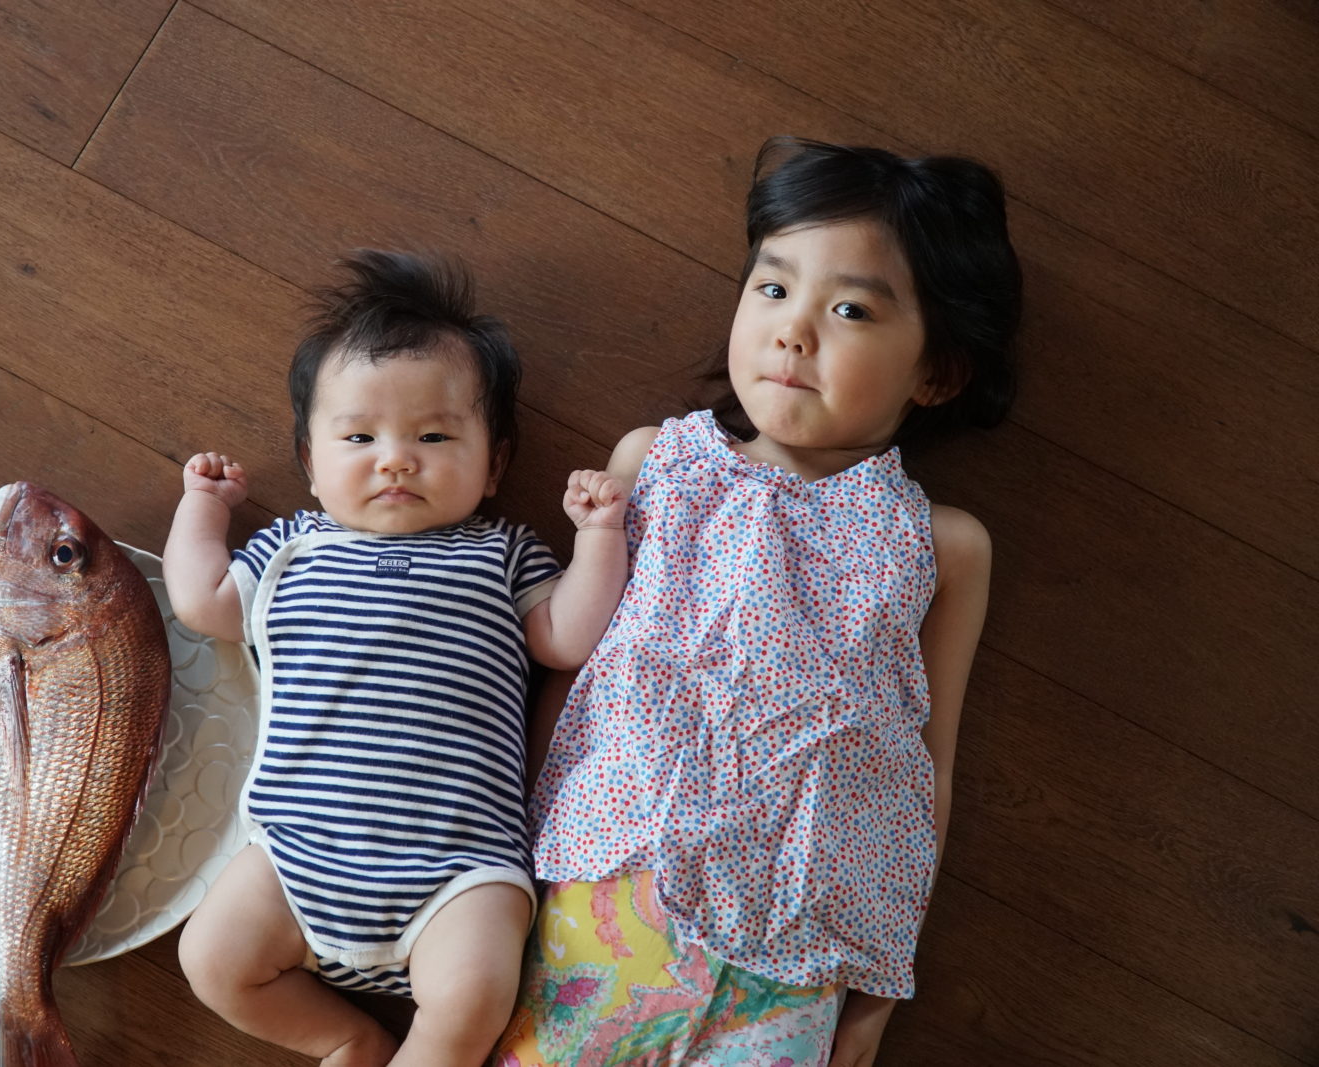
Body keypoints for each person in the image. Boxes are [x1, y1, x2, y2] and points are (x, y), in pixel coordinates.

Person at [494, 136, 1022, 1066]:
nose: (793, 330)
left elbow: (927, 769)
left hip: (800, 949)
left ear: (936, 372)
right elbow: (575, 675)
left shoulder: (944, 545)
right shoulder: (656, 462)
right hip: (609, 891)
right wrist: (512, 871)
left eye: (850, 308)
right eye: (773, 288)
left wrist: (881, 985)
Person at [163, 249, 629, 1067]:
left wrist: (599, 537)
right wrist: (203, 509)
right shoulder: (291, 550)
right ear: (310, 463)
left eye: (434, 435)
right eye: (359, 436)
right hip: (299, 854)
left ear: (495, 464)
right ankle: (348, 1035)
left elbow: (568, 637)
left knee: (474, 995)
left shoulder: (500, 553)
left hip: (461, 866)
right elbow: (203, 600)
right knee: (211, 957)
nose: (396, 458)